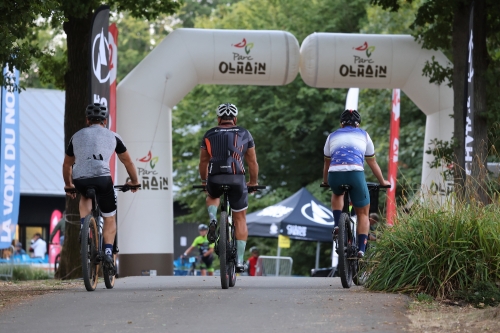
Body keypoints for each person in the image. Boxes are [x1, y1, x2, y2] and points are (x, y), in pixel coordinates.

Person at [62, 103, 140, 270]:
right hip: (103, 178)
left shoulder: (76, 136)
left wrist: (69, 185)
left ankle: (84, 226)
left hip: (80, 179)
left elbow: (67, 165)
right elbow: (128, 161)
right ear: (105, 120)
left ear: (87, 120)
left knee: (84, 196)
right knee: (109, 218)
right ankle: (107, 251)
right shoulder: (113, 136)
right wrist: (134, 181)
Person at [199, 103, 259, 273]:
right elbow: (252, 162)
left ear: (218, 119)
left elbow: (203, 162)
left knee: (211, 195)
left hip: (215, 177)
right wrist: (253, 182)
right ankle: (240, 261)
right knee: (240, 219)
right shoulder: (245, 133)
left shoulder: (209, 134)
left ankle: (212, 218)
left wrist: (204, 181)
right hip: (237, 178)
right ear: (235, 119)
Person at [322, 109, 390, 258]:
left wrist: (326, 181)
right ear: (358, 124)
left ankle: (336, 224)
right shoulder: (364, 135)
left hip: (335, 174)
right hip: (355, 174)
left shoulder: (332, 136)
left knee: (337, 193)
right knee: (363, 213)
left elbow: (327, 164)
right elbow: (372, 163)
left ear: (341, 124)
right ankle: (361, 249)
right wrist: (382, 182)